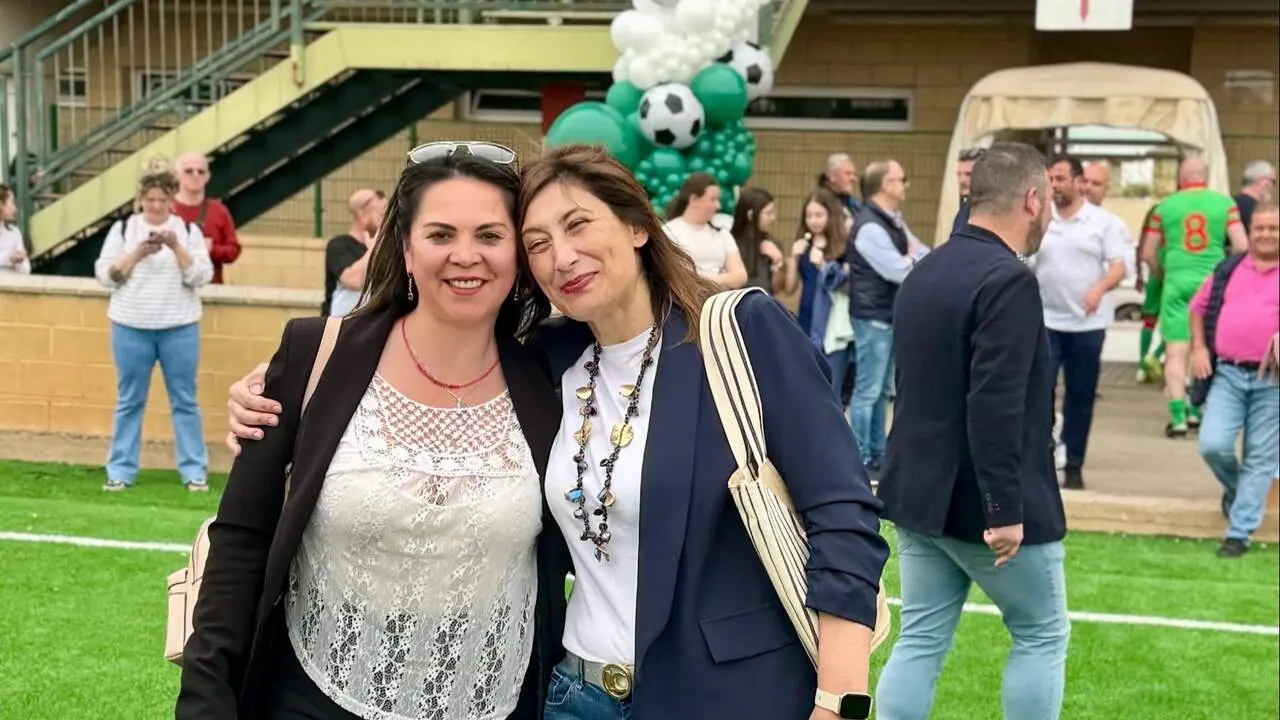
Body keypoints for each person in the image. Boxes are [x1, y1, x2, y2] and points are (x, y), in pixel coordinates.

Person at [224, 144, 889, 720]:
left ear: (635, 224)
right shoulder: (551, 359)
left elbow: (844, 515)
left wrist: (840, 697)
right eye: (537, 243)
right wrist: (278, 382)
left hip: (730, 692)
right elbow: (416, 357)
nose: (560, 256)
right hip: (575, 695)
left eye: (577, 226)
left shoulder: (740, 332)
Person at [177, 142, 563, 720]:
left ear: (517, 253)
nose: (466, 255)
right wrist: (205, 703)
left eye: (489, 235)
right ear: (406, 250)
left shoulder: (555, 378)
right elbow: (240, 540)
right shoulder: (315, 354)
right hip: (310, 694)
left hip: (495, 703)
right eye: (440, 235)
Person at [874, 142, 1070, 720]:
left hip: (916, 495)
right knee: (1041, 634)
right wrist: (1003, 507)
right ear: (1033, 200)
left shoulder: (925, 270)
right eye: (1051, 201)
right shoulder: (1008, 280)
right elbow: (996, 404)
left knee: (921, 638)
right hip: (981, 505)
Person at [93, 157, 214, 492]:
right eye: (151, 200)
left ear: (172, 198)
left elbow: (201, 276)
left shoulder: (188, 231)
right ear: (141, 199)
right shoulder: (122, 230)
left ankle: (194, 472)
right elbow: (106, 275)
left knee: (185, 400)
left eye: (163, 200)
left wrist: (175, 248)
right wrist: (135, 255)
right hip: (130, 326)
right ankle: (120, 471)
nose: (157, 206)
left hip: (180, 327)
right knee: (129, 400)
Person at [1031, 155, 1129, 490]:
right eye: (1050, 180)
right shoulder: (1040, 219)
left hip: (1087, 324)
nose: (1055, 186)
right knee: (1040, 389)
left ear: (1078, 182)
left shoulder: (1103, 222)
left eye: (1060, 179)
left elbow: (1119, 266)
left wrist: (1099, 288)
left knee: (1080, 395)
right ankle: (1042, 455)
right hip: (1046, 321)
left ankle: (1074, 461)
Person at [1190, 200, 1280, 558]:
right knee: (1212, 444)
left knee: (1260, 455)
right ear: (1249, 229)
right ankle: (1241, 492)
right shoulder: (1229, 268)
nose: (1266, 234)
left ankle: (1239, 533)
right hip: (1226, 372)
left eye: (1274, 228)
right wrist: (1198, 347)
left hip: (1272, 380)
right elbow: (1197, 309)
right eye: (1260, 227)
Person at [1141, 157, 1250, 437]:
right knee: (1203, 349)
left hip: (1176, 282)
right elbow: (1241, 245)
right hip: (1211, 284)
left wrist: (1163, 273)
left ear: (1181, 177)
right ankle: (1195, 410)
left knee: (1176, 352)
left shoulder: (1164, 208)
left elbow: (1148, 253)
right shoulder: (1225, 204)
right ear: (1205, 176)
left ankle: (1177, 418)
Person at [847, 159, 927, 477]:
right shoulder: (869, 226)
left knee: (882, 390)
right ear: (886, 185)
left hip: (887, 315)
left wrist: (913, 257)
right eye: (901, 178)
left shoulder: (892, 221)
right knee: (868, 389)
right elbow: (898, 269)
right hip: (873, 317)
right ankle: (860, 458)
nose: (905, 184)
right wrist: (912, 258)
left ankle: (877, 455)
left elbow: (920, 252)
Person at [783, 189, 856, 392]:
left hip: (833, 322)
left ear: (830, 215)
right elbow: (790, 288)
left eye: (819, 215)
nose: (813, 221)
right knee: (807, 380)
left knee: (832, 382)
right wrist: (793, 259)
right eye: (809, 216)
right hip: (806, 318)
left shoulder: (843, 247)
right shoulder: (804, 246)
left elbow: (847, 285)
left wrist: (822, 264)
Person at [662, 173, 748, 289]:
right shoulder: (669, 232)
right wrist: (722, 278)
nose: (718, 206)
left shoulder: (722, 233)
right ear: (694, 199)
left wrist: (702, 279)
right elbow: (673, 277)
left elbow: (740, 276)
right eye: (713, 199)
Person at [172, 152, 241, 284]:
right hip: (173, 291)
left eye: (201, 171)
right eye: (188, 171)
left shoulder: (219, 210)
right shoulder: (166, 210)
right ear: (177, 176)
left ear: (208, 176)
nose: (195, 175)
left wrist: (211, 249)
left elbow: (233, 250)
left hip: (210, 288)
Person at [324, 189, 387, 317]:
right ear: (362, 213)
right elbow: (354, 281)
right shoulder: (339, 245)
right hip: (340, 330)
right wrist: (373, 249)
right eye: (380, 214)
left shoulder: (387, 248)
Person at [729, 186, 785, 294]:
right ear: (750, 215)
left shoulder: (772, 243)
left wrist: (778, 262)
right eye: (768, 213)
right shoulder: (731, 243)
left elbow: (777, 289)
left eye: (773, 213)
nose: (773, 218)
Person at [0, 184, 31, 274]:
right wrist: (8, 257)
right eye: (12, 202)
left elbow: (26, 270)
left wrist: (18, 262)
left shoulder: (14, 233)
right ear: (1, 204)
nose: (15, 209)